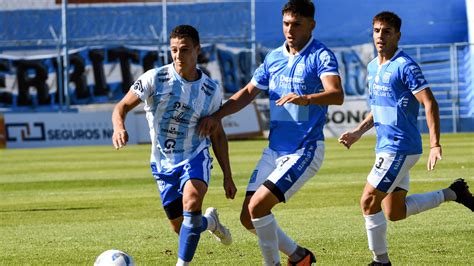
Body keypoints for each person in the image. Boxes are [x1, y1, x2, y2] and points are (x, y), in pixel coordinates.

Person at [199, 1, 344, 265]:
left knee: (258, 208)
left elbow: (337, 95)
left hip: (305, 149)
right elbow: (247, 94)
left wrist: (306, 98)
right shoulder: (274, 57)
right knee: (247, 218)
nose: (290, 30)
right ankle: (300, 257)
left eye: (297, 24)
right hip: (274, 150)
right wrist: (216, 116)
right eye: (286, 23)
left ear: (311, 25)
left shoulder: (321, 56)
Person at [337, 11, 474, 266]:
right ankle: (454, 193)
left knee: (368, 201)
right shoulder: (372, 66)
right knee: (394, 212)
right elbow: (379, 107)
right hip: (385, 147)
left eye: (387, 31)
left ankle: (381, 262)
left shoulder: (405, 66)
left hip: (400, 148)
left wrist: (435, 144)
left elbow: (429, 102)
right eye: (377, 30)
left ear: (397, 35)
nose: (380, 36)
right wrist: (358, 132)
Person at [112, 25, 237, 266]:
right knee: (182, 229)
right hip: (162, 162)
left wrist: (227, 176)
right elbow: (121, 107)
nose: (179, 56)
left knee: (192, 200)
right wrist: (119, 126)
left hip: (194, 154)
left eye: (185, 49)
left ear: (197, 50)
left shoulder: (211, 89)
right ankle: (210, 222)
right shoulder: (154, 78)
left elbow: (218, 135)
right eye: (174, 50)